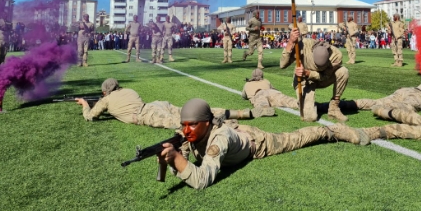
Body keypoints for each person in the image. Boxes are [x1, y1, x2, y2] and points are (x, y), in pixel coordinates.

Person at [157, 98, 367, 189]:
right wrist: (171, 158)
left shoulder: (218, 139)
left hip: (257, 142)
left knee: (295, 138)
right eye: (184, 125)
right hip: (235, 132)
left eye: (192, 125)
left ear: (205, 123)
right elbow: (184, 157)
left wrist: (175, 159)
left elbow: (202, 180)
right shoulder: (188, 133)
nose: (186, 130)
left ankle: (330, 131)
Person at [74, 78, 274, 128]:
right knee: (200, 110)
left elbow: (91, 116)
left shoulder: (107, 99)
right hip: (156, 104)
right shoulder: (128, 90)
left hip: (148, 115)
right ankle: (246, 113)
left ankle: (228, 125)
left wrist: (85, 104)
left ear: (105, 91)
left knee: (187, 124)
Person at [280, 28, 349, 122]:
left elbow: (325, 76)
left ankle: (334, 108)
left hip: (322, 78)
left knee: (343, 71)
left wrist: (309, 73)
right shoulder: (302, 46)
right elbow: (282, 65)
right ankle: (303, 103)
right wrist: (290, 42)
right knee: (310, 117)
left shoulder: (336, 56)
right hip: (304, 80)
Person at [352, 66, 421, 122]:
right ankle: (382, 110)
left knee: (377, 101)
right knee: (405, 107)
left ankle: (349, 104)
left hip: (407, 90)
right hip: (420, 96)